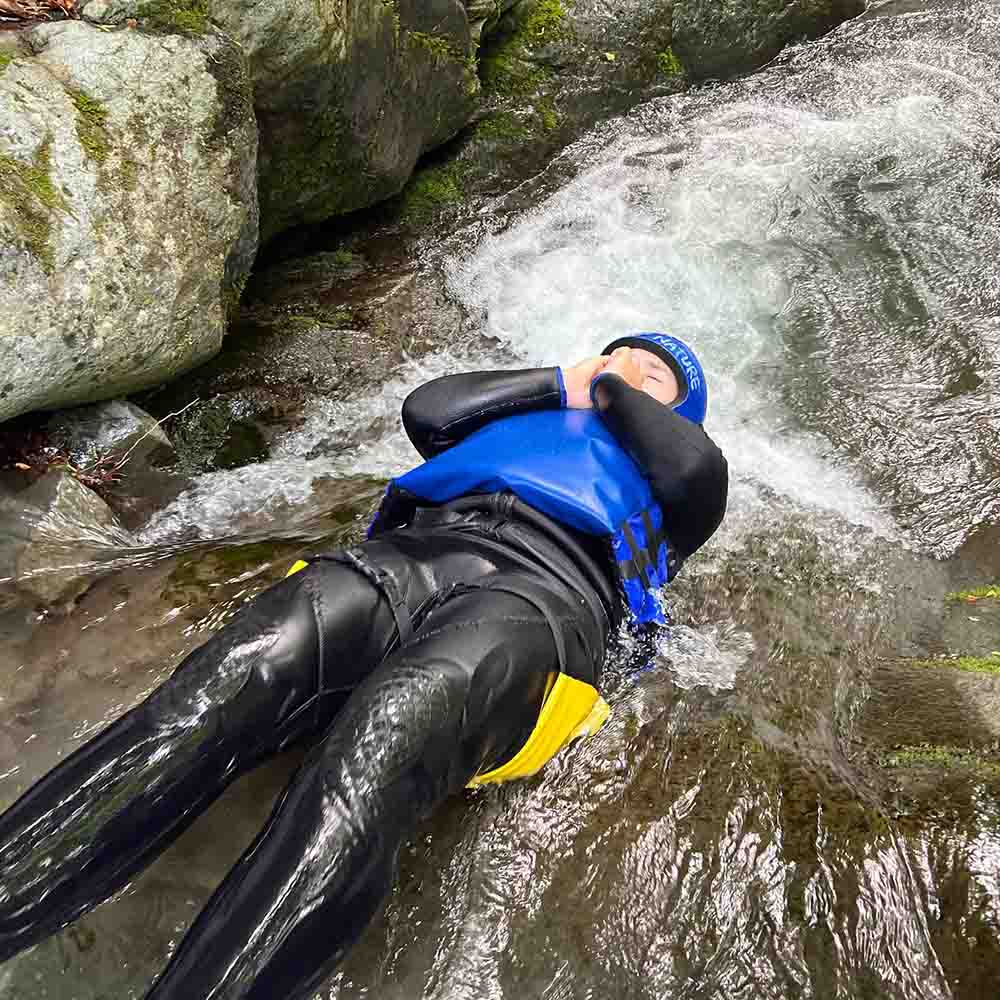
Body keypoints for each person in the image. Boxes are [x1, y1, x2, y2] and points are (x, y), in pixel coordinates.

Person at [0, 333, 728, 999]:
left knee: (381, 742)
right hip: (413, 552)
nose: (629, 366)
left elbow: (694, 466)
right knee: (232, 675)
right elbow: (429, 409)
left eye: (655, 372)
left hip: (552, 592)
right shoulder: (541, 407)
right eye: (619, 352)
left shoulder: (671, 471)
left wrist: (614, 383)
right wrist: (558, 381)